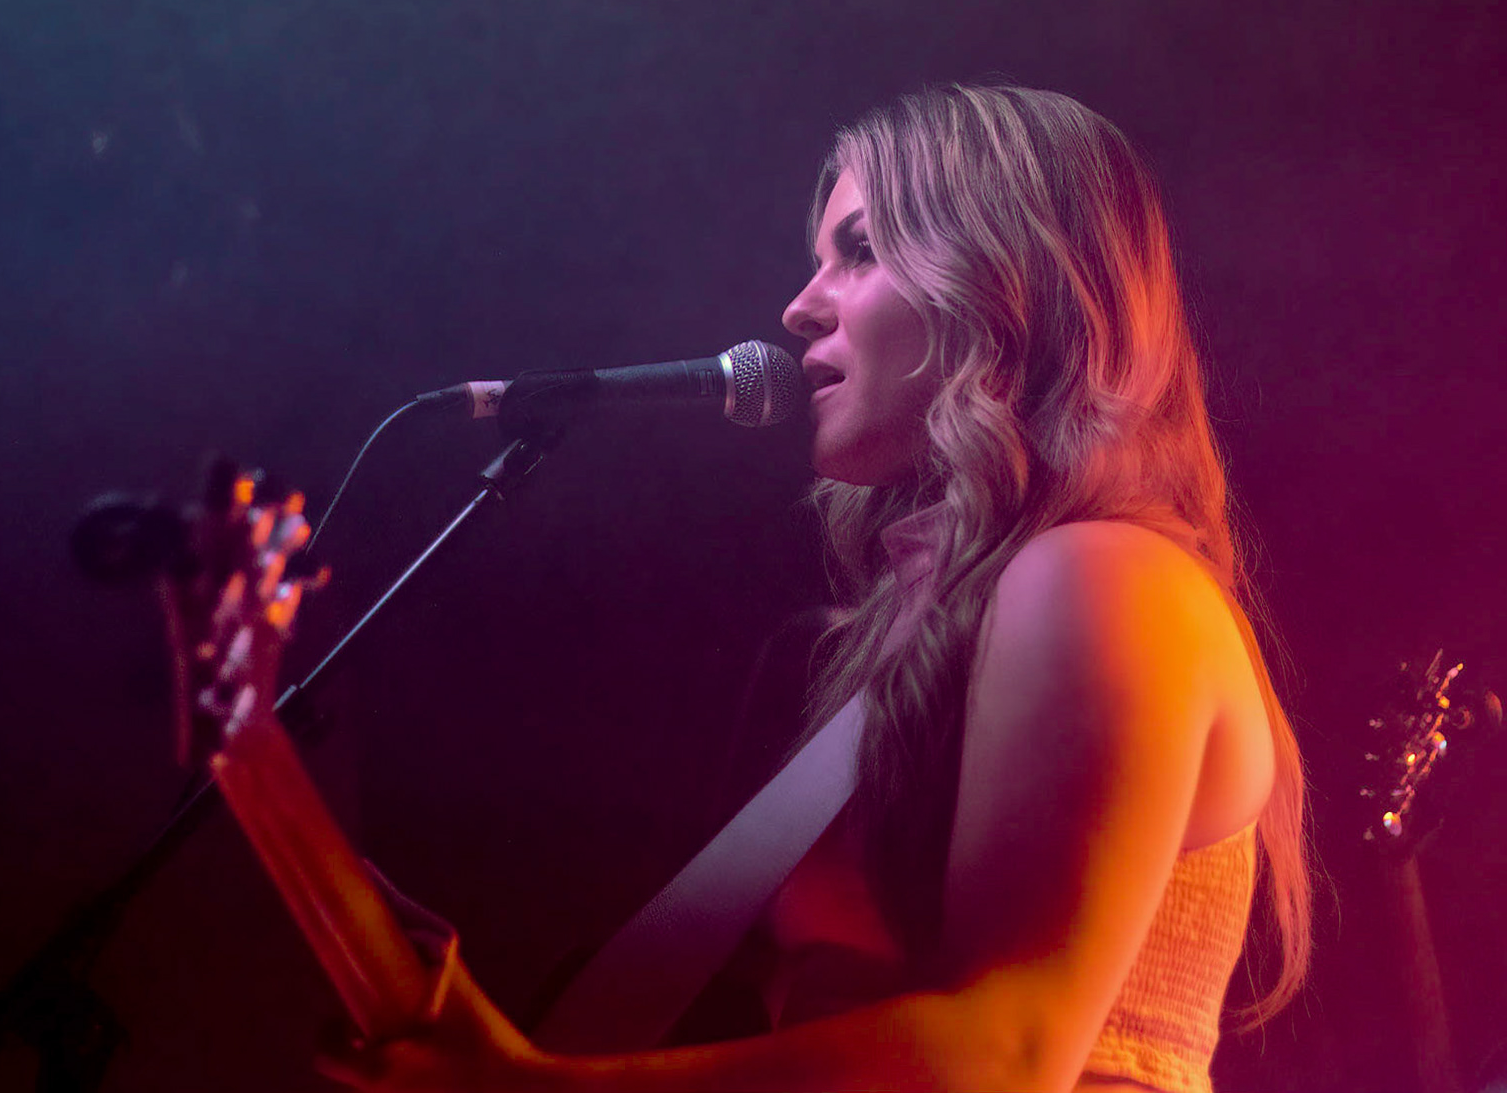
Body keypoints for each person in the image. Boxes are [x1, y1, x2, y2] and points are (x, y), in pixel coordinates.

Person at [317, 84, 1311, 1092]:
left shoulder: (1102, 572)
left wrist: (529, 1087)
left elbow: (1013, 1049)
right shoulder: (934, 626)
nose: (798, 307)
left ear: (1005, 282)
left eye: (862, 249)